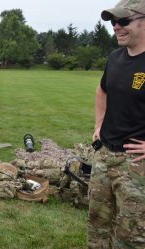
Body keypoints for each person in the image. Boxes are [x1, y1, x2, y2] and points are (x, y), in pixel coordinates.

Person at [89, 1, 145, 248]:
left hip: (136, 165)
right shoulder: (115, 57)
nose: (116, 28)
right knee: (97, 226)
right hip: (104, 156)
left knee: (130, 236)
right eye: (113, 22)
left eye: (124, 21)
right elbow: (102, 91)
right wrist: (98, 126)